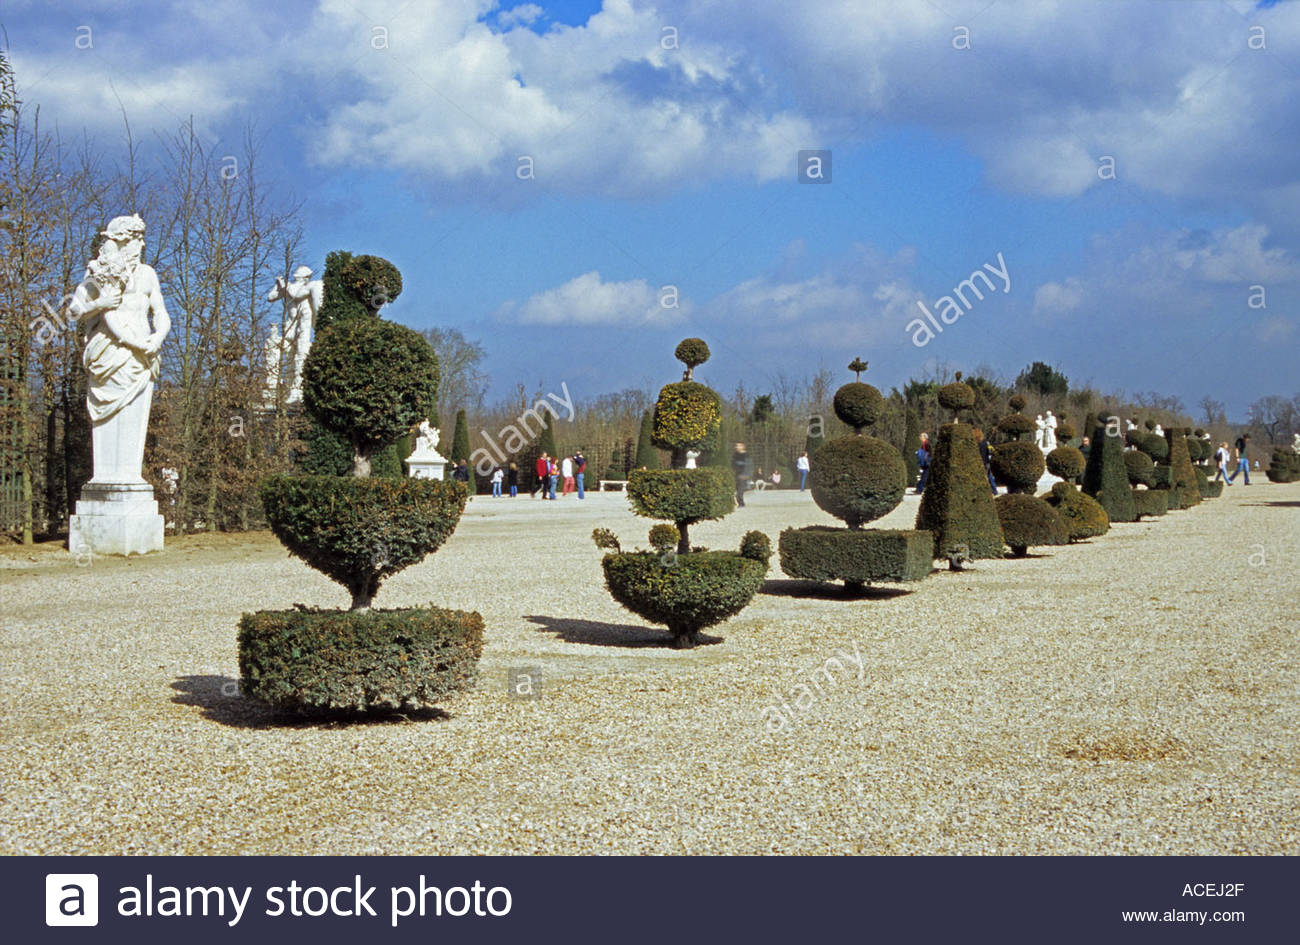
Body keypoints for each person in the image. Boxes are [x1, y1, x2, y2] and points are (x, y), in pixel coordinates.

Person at [974, 428, 997, 494]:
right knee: (989, 476)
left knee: (982, 477)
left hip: (979, 462)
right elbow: (989, 452)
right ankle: (994, 489)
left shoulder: (975, 444)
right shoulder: (985, 442)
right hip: (986, 461)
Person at [731, 442, 751, 507]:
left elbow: (748, 465)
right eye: (736, 446)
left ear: (743, 446)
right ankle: (741, 503)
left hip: (743, 475)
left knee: (740, 491)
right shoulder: (735, 454)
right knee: (737, 490)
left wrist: (746, 475)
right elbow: (733, 464)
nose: (737, 447)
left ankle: (741, 503)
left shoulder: (746, 455)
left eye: (738, 446)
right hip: (736, 475)